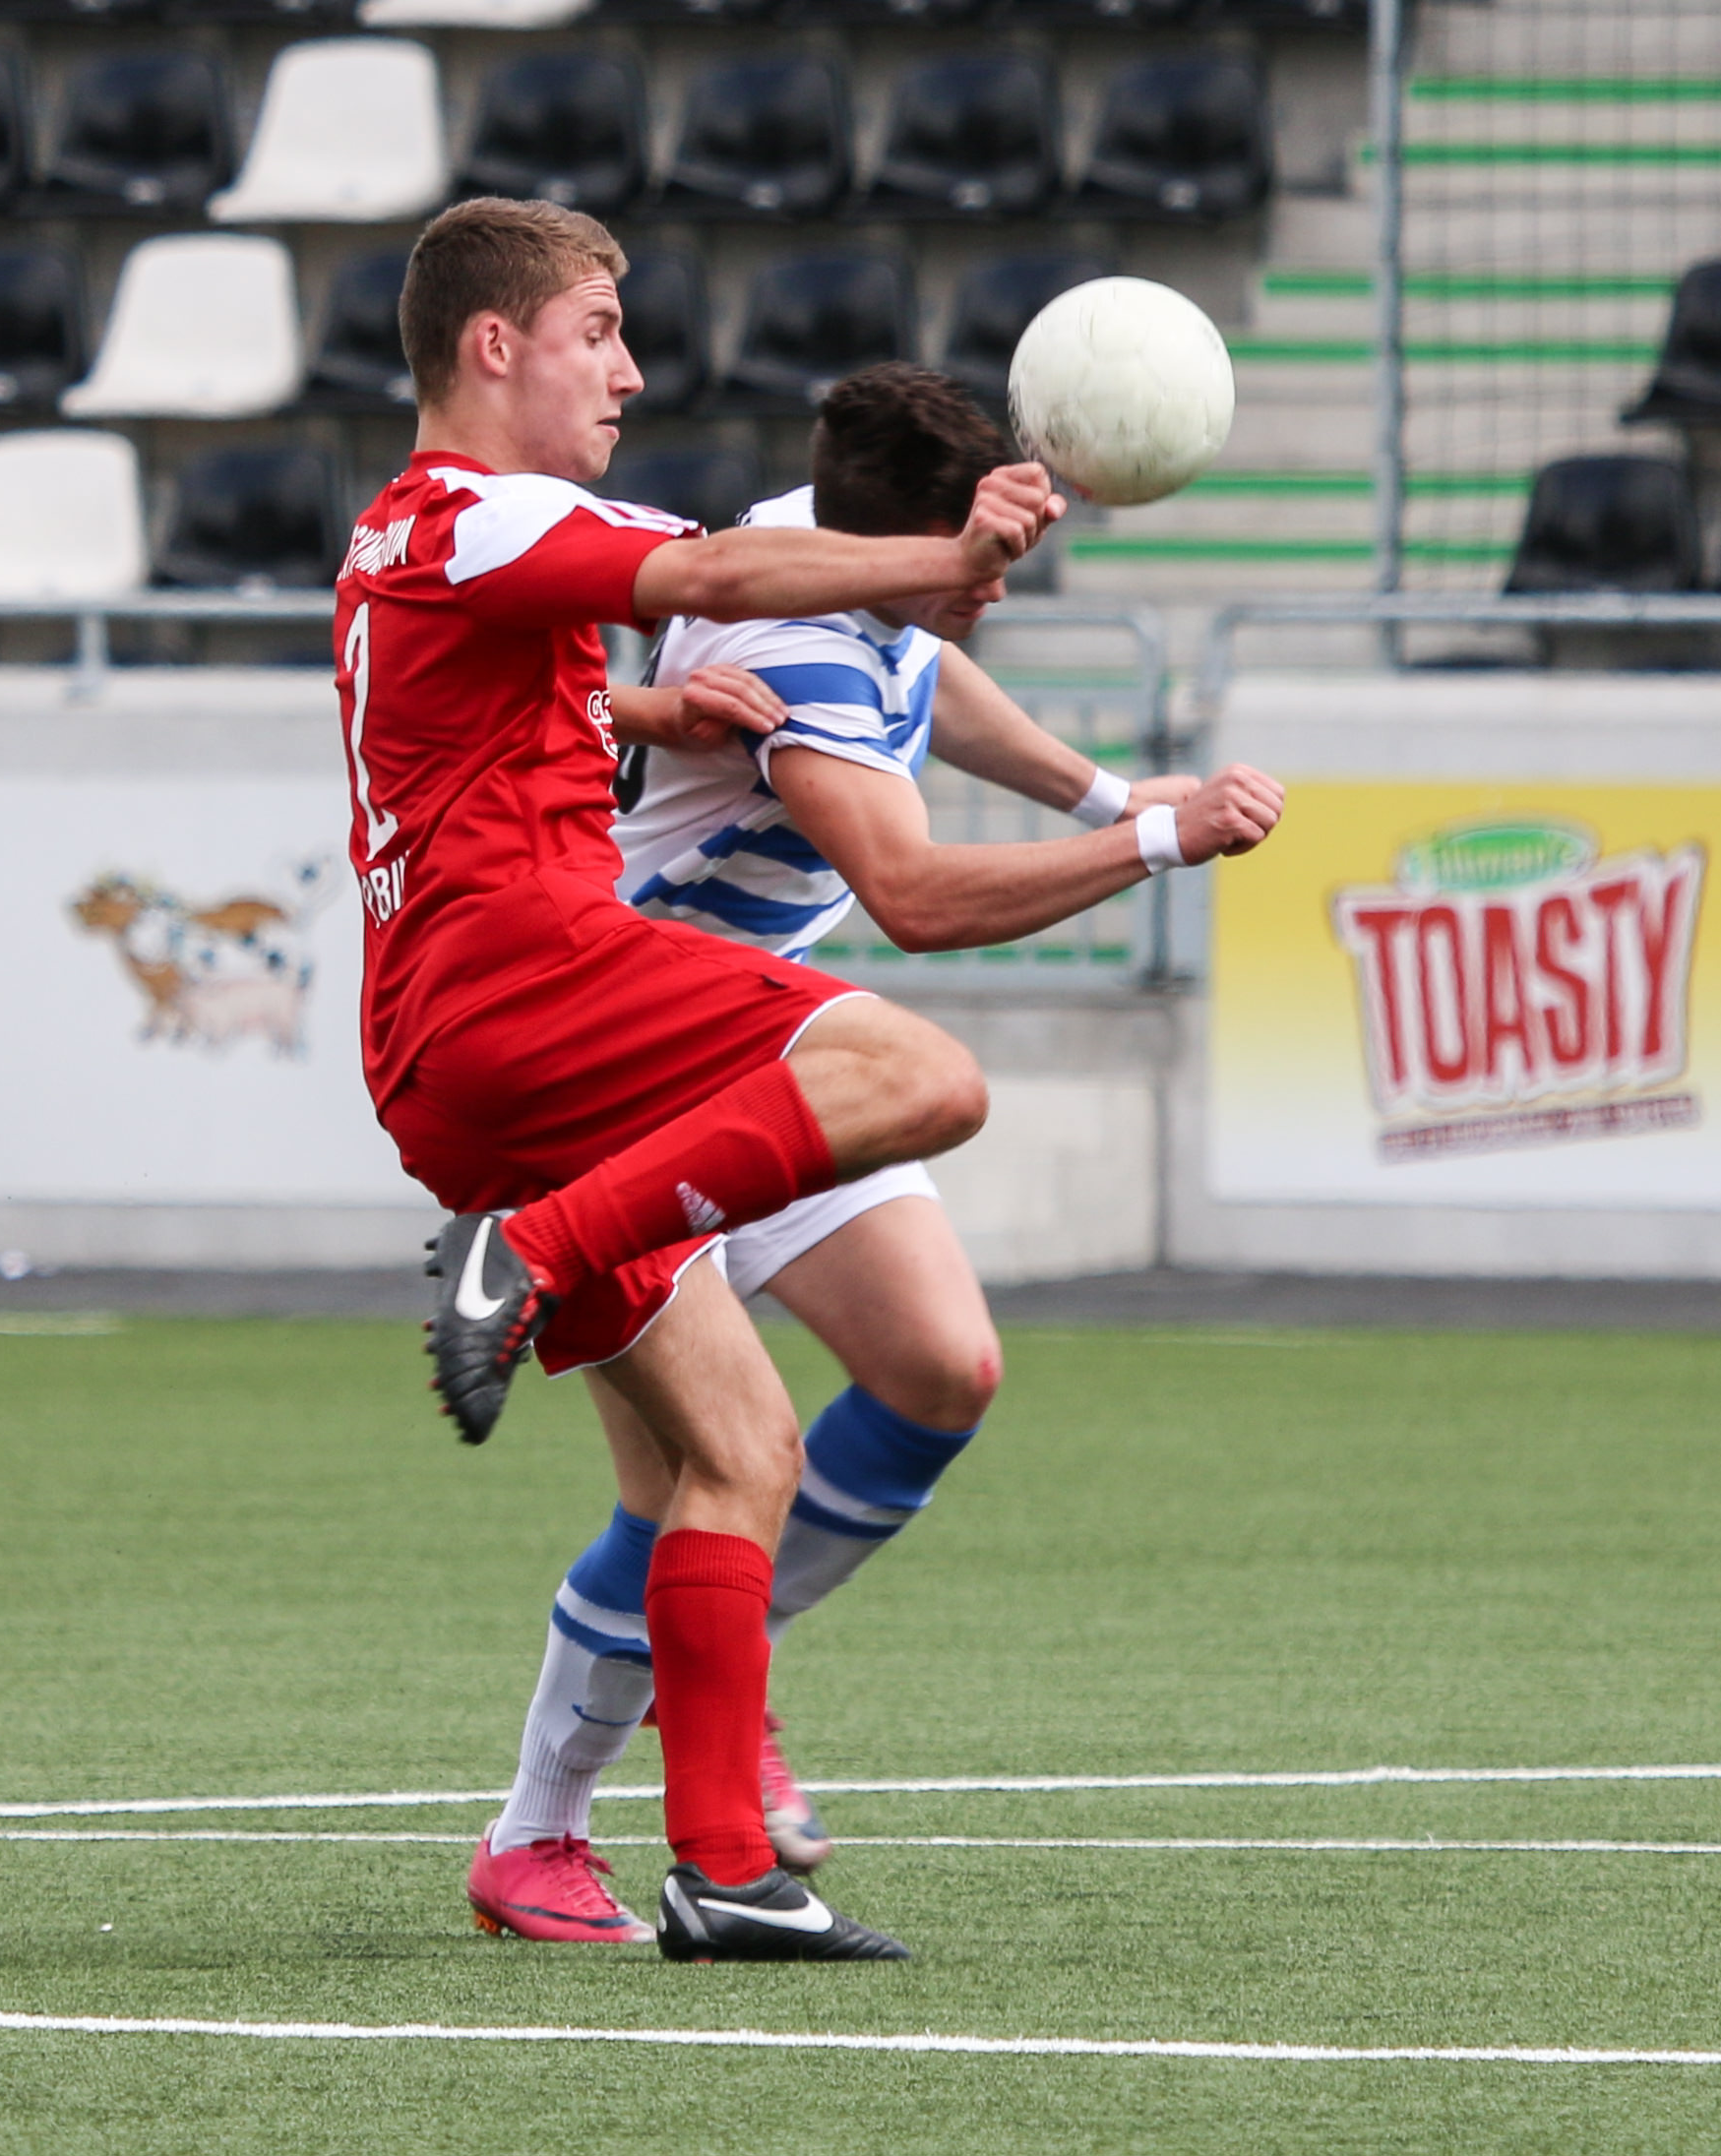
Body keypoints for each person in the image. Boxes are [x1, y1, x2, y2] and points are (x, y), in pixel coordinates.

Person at [463, 364, 1285, 1941]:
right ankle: (535, 1837)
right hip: (621, 1077)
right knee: (687, 1483)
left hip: (771, 1050)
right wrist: (1154, 841)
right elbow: (912, 896)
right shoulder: (789, 648)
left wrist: (1108, 784)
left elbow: (936, 672)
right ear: (904, 542)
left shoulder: (828, 542)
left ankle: (724, 1659)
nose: (991, 594)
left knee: (938, 1369)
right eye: (974, 567)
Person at [338, 198, 1060, 1961]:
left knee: (740, 1453)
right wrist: (941, 555)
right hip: (527, 988)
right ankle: (535, 1251)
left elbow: (498, 719)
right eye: (598, 330)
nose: (633, 372)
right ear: (493, 345)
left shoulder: (420, 541)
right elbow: (724, 578)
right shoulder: (486, 509)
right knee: (919, 1070)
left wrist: (652, 716)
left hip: (470, 1045)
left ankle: (719, 1866)